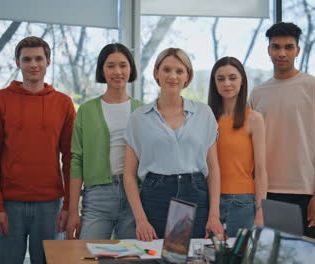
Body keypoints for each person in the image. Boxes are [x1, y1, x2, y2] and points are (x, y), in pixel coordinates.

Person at [0, 36, 75, 264]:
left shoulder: (63, 103)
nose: (33, 64)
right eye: (27, 59)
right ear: (17, 63)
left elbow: (71, 158)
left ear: (48, 62)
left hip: (50, 207)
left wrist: (68, 207)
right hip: (8, 206)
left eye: (39, 59)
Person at [249, 22, 315, 242]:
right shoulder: (257, 93)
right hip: (267, 194)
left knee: (313, 256)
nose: (282, 53)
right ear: (268, 50)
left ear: (297, 50)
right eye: (276, 46)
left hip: (306, 193)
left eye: (289, 47)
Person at [123, 48, 224, 241]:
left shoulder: (204, 114)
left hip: (195, 195)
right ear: (156, 73)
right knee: (156, 257)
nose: (173, 76)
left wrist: (214, 215)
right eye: (167, 69)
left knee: (192, 257)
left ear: (188, 77)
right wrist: (141, 219)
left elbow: (213, 168)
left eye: (179, 71)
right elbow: (128, 174)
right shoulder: (138, 118)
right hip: (155, 197)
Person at [66, 43, 142, 240]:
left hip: (135, 196)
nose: (117, 71)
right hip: (97, 197)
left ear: (131, 69)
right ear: (102, 70)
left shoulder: (143, 111)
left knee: (131, 259)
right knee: (87, 256)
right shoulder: (87, 110)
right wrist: (73, 211)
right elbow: (77, 161)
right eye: (110, 66)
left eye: (123, 65)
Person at [208, 56, 268, 237]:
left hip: (243, 203)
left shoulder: (254, 119)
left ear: (242, 81)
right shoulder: (208, 119)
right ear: (215, 84)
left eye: (232, 77)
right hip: (211, 202)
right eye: (220, 79)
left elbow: (261, 169)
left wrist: (260, 210)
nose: (226, 83)